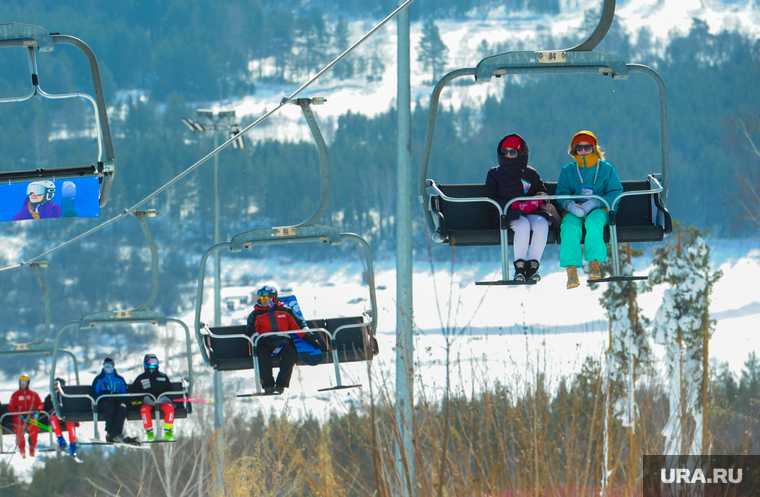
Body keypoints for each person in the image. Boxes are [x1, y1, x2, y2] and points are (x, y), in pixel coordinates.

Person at [556, 130, 623, 289]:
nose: (584, 150)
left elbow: (615, 192)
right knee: (569, 225)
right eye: (579, 148)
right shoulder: (568, 170)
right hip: (575, 209)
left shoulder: (606, 169)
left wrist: (595, 203)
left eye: (587, 147)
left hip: (599, 209)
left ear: (594, 148)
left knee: (594, 223)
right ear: (574, 150)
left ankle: (594, 264)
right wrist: (570, 206)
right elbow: (561, 193)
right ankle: (571, 269)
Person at [485, 134, 558, 282]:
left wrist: (536, 201)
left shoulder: (530, 173)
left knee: (541, 223)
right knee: (523, 225)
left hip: (530, 212)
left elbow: (543, 192)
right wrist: (514, 205)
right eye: (504, 151)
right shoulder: (494, 173)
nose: (508, 155)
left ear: (520, 154)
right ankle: (519, 267)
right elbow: (490, 199)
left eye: (512, 152)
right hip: (506, 213)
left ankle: (533, 267)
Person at [245, 285, 306, 394]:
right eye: (262, 297)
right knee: (261, 354)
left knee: (290, 353)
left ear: (273, 298)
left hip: (282, 342)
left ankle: (281, 384)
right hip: (265, 343)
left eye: (267, 298)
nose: (263, 300)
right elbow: (250, 331)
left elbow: (298, 326)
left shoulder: (285, 311)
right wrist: (260, 340)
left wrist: (308, 336)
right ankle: (267, 385)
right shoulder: (256, 314)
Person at [128, 354, 176, 441]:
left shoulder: (162, 376)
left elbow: (170, 389)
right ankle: (149, 432)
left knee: (169, 408)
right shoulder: (141, 378)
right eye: (149, 362)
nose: (152, 365)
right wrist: (139, 400)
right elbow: (134, 391)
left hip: (162, 401)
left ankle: (168, 432)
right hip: (148, 402)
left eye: (154, 362)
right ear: (145, 364)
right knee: (144, 410)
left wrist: (167, 397)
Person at [91, 357, 133, 443]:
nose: (108, 368)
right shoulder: (99, 379)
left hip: (116, 402)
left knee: (122, 408)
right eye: (106, 366)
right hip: (103, 403)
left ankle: (116, 433)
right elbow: (94, 393)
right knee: (110, 406)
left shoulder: (119, 379)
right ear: (103, 367)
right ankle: (110, 433)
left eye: (110, 365)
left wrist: (118, 397)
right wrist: (105, 396)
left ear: (114, 366)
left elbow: (124, 392)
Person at [8, 374, 44, 458]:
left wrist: (37, 411)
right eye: (21, 382)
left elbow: (40, 404)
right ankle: (21, 447)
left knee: (34, 427)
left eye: (25, 382)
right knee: (19, 428)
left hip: (30, 416)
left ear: (28, 383)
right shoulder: (15, 395)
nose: (23, 384)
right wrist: (19, 415)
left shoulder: (33, 394)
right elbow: (11, 408)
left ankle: (32, 446)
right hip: (19, 417)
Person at [43, 377, 78, 457]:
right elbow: (46, 407)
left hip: (67, 415)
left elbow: (73, 405)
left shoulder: (67, 395)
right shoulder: (50, 396)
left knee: (70, 422)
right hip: (56, 416)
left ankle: (73, 443)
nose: (57, 388)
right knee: (53, 419)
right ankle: (60, 439)